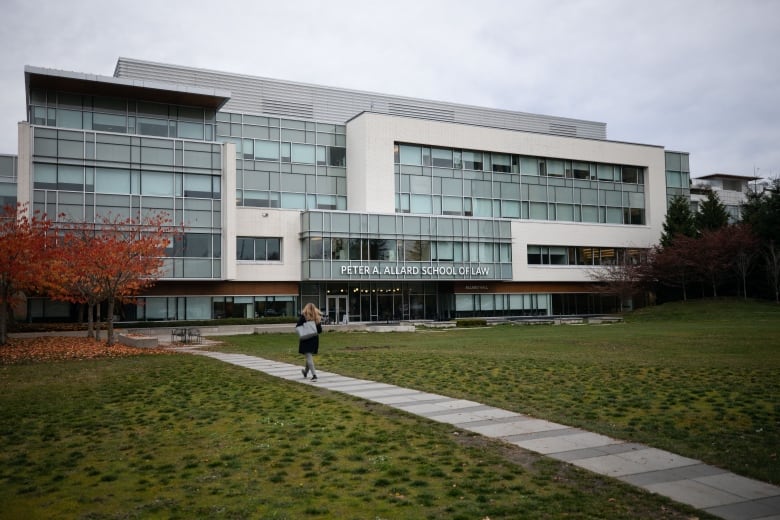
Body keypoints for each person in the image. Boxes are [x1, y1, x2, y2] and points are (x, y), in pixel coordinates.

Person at [297, 302, 323, 381]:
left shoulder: (303, 317)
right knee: (309, 356)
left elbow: (298, 326)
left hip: (306, 339)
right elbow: (320, 331)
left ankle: (314, 375)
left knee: (308, 357)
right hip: (314, 339)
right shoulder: (316, 318)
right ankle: (305, 372)